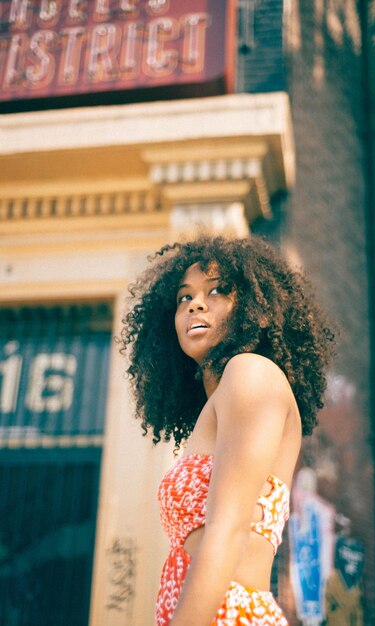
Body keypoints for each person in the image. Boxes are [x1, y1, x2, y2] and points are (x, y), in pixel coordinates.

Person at [120, 234, 335, 626]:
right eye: (184, 297)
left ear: (254, 307)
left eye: (217, 290)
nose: (196, 304)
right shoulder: (219, 403)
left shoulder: (251, 373)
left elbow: (228, 530)